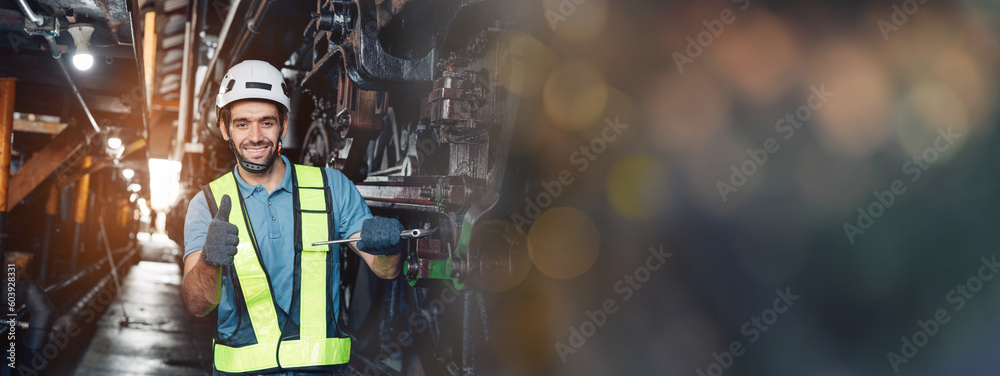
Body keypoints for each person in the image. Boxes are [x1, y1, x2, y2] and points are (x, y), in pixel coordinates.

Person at [181, 60, 404, 376]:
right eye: (242, 123)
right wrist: (209, 260)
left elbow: (385, 271)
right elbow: (197, 304)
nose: (255, 136)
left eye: (267, 123)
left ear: (284, 124)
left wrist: (388, 247)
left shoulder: (332, 187)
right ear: (224, 127)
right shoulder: (206, 204)